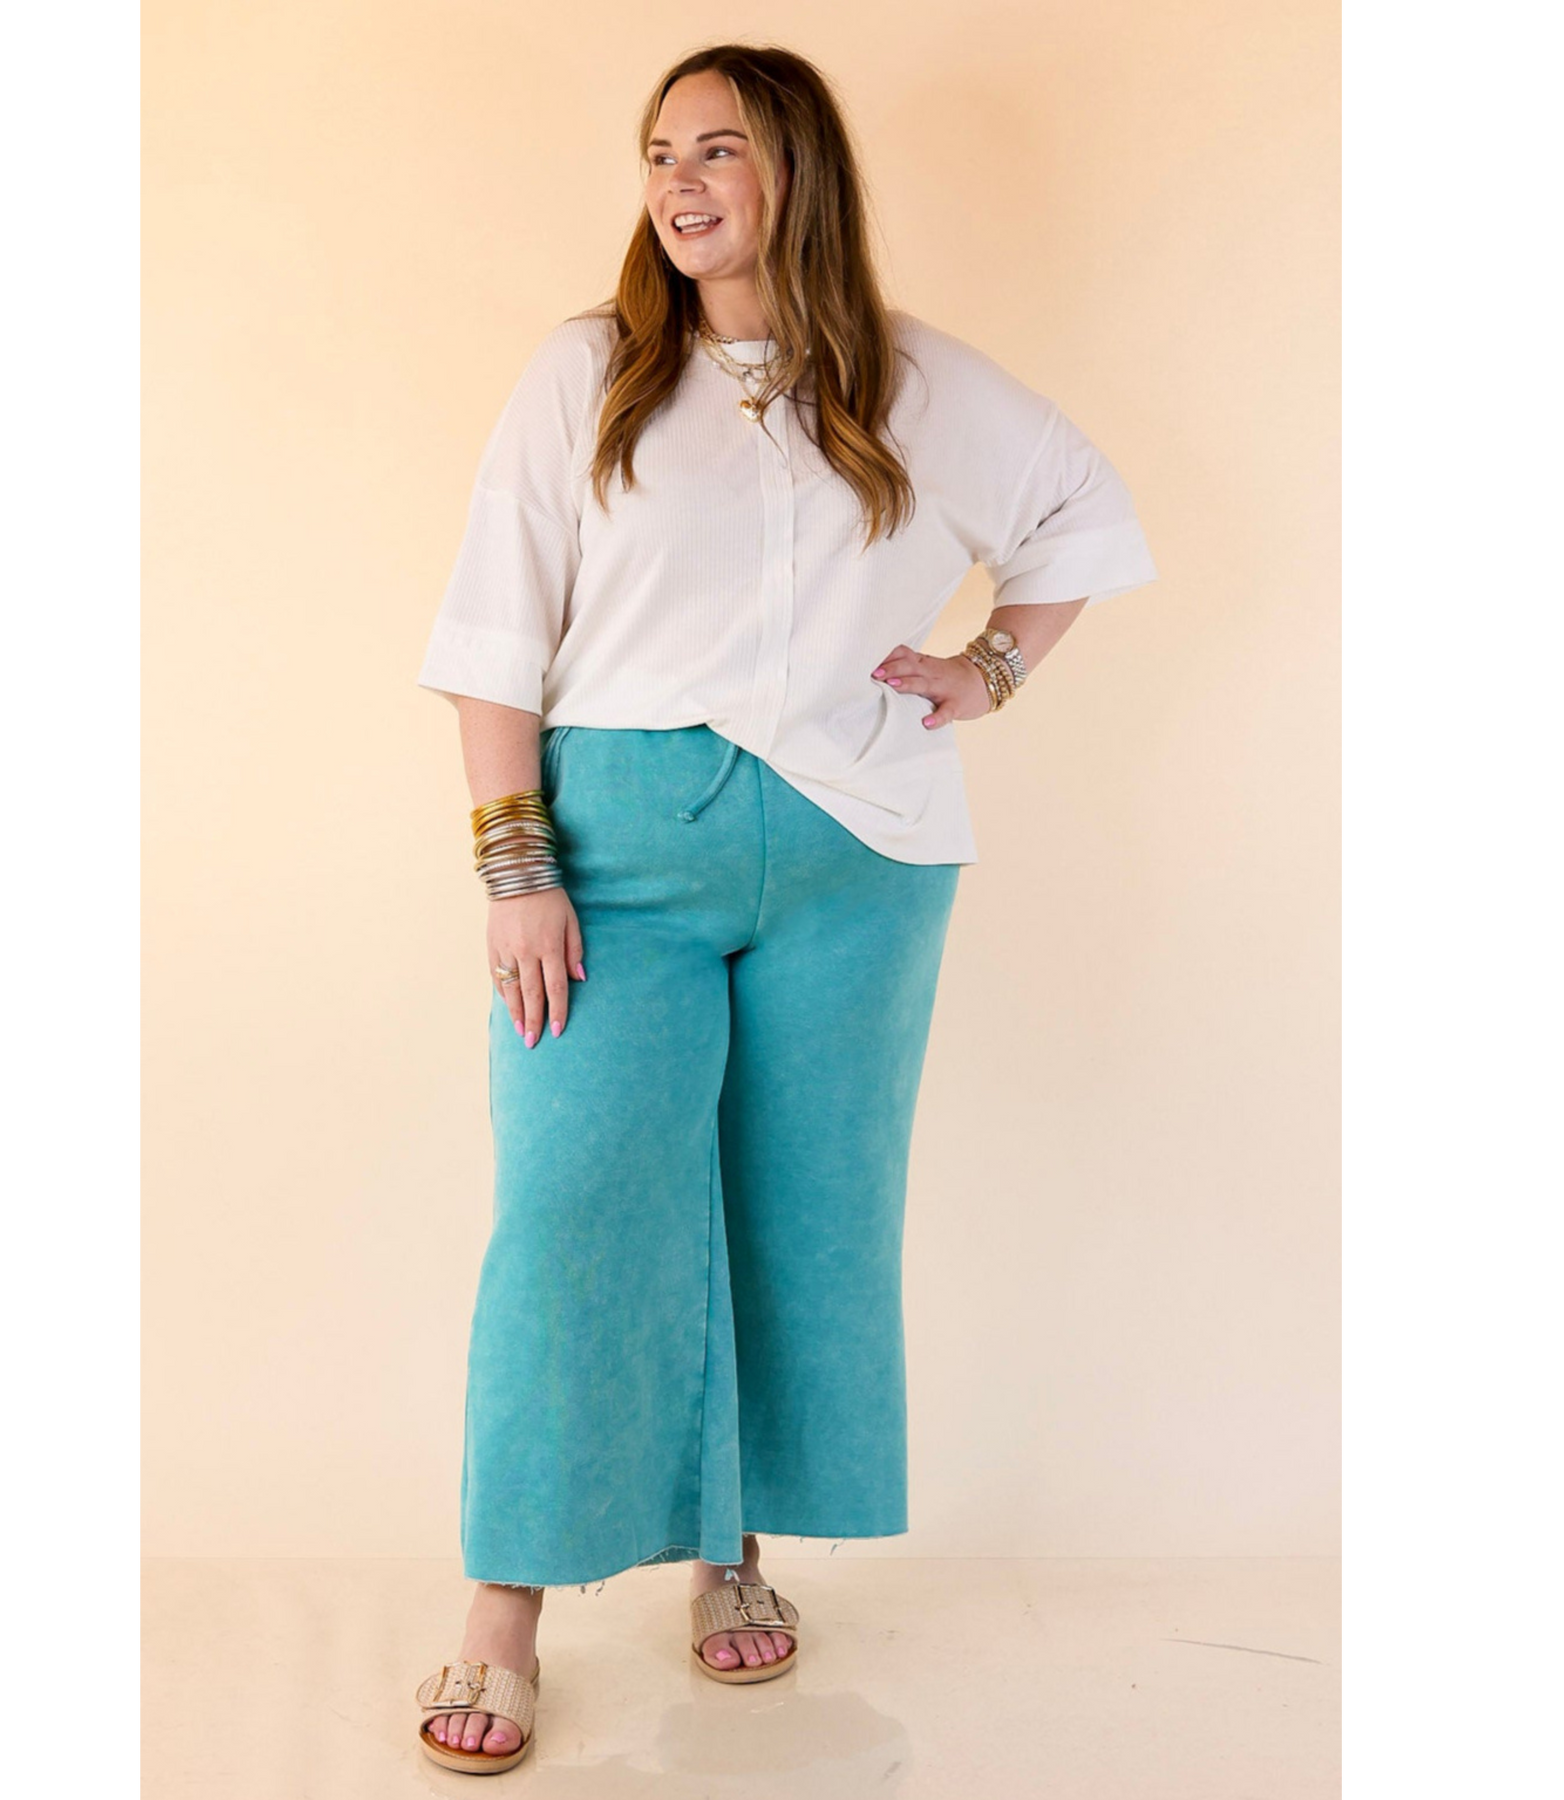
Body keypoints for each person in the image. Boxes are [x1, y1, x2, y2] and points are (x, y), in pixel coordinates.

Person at [411, 43, 1159, 1775]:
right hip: (619, 857)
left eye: (718, 149)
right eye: (659, 152)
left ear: (796, 171)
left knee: (797, 1213)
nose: (679, 183)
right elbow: (494, 630)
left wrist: (989, 667)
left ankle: (728, 1547)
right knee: (574, 1208)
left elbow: (1084, 509)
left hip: (860, 857)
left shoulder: (907, 379)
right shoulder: (588, 371)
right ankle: (503, 1609)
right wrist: (517, 868)